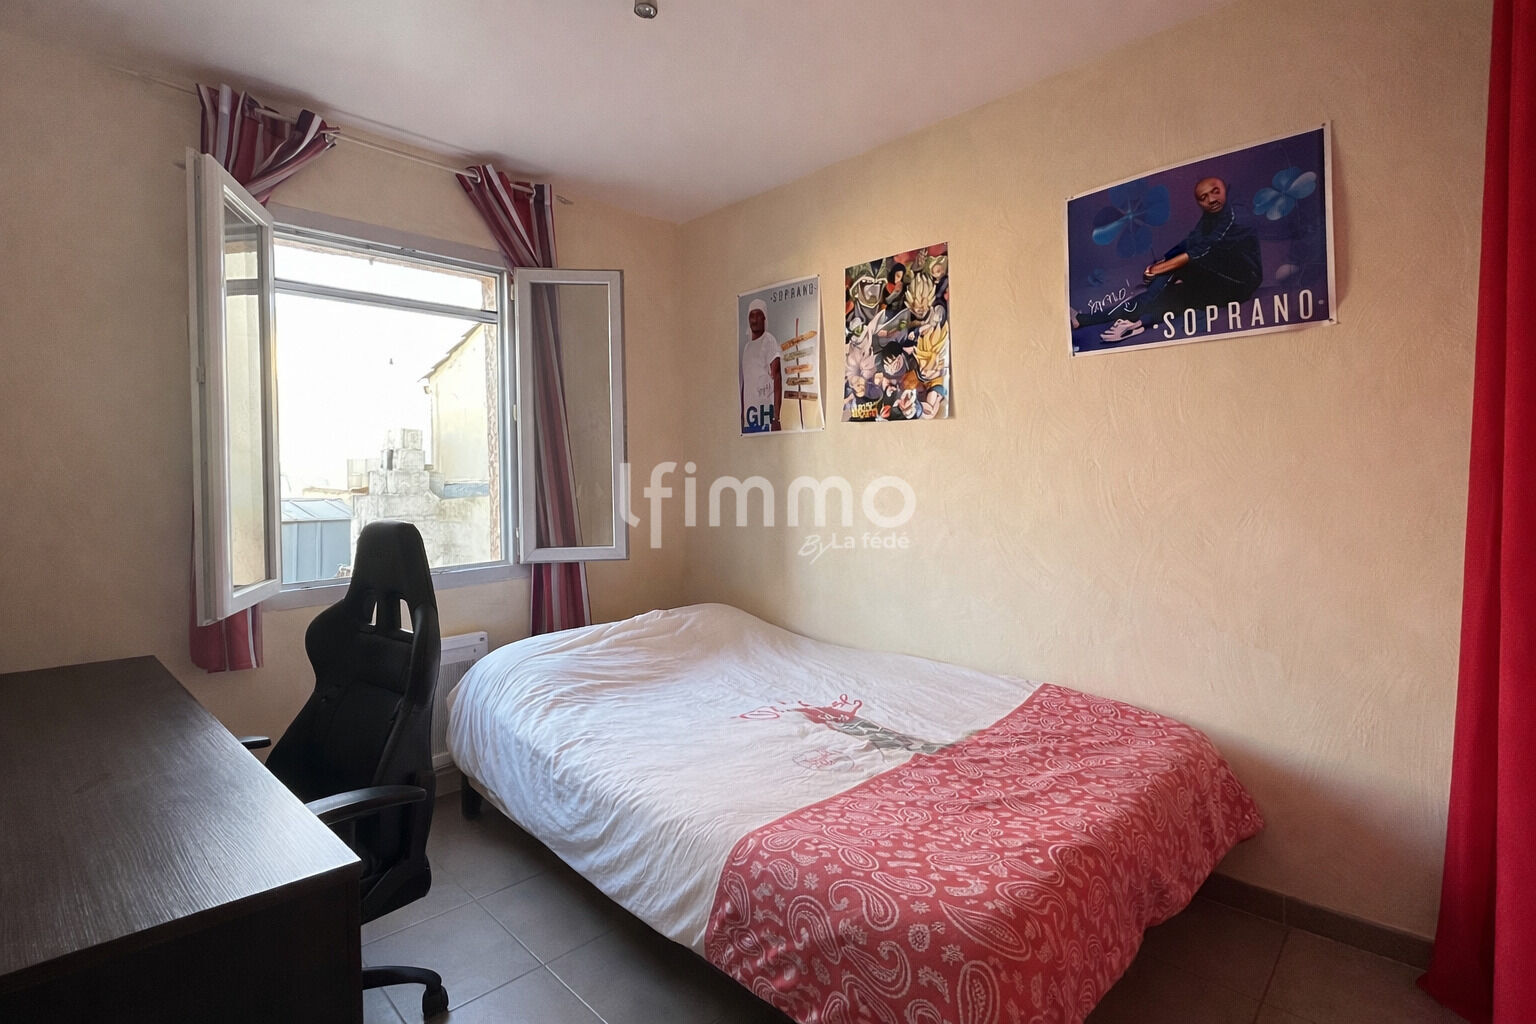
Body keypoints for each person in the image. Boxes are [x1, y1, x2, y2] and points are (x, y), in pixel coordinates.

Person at [1076, 176, 1262, 342]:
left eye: (1215, 191)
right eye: (1203, 197)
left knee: (1174, 272)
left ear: (1224, 189)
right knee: (1169, 293)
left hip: (1240, 283)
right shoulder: (1212, 215)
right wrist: (1161, 262)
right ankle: (1094, 320)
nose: (1211, 200)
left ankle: (1130, 319)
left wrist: (1159, 269)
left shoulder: (1236, 215)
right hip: (1217, 280)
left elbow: (1204, 249)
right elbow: (1190, 241)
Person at [740, 298, 782, 432]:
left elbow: (777, 377)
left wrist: (776, 418)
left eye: (758, 315)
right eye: (752, 316)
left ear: (764, 318)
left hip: (765, 416)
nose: (755, 319)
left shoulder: (769, 341)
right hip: (750, 418)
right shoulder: (747, 348)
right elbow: (745, 383)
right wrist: (742, 416)